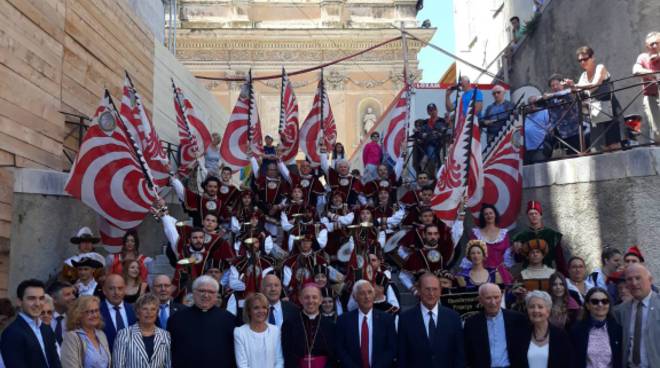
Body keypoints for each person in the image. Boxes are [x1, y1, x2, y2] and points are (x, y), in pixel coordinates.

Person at [398, 273, 465, 368]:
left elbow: (459, 354)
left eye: (435, 289)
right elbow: (402, 355)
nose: (431, 294)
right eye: (427, 289)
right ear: (419, 290)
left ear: (440, 291)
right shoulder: (405, 319)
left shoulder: (453, 317)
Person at [167, 275, 236, 368]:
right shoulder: (176, 319)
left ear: (216, 295)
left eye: (210, 292)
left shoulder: (230, 320)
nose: (205, 295)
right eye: (201, 291)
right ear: (193, 293)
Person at [565, 46, 623, 150]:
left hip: (609, 109)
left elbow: (595, 84)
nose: (582, 62)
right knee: (601, 147)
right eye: (580, 60)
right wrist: (572, 86)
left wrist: (576, 86)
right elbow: (580, 93)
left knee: (614, 145)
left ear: (593, 58)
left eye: (585, 59)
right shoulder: (583, 75)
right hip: (596, 111)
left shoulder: (600, 67)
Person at [464, 283, 529, 368]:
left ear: (501, 297)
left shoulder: (518, 319)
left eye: (496, 297)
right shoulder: (471, 324)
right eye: (488, 298)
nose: (493, 302)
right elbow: (468, 353)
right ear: (480, 300)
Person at [0, 279, 61, 368]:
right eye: (31, 298)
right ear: (19, 302)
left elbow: (56, 363)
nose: (37, 303)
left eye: (41, 298)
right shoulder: (11, 333)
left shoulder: (46, 329)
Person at [335, 280, 397, 368]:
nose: (367, 297)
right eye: (362, 293)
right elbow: (340, 349)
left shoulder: (386, 319)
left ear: (374, 295)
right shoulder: (344, 320)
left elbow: (391, 348)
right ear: (354, 297)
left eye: (370, 292)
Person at [613, 264, 660, 367]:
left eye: (638, 278)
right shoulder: (620, 311)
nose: (634, 283)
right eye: (629, 279)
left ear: (650, 280)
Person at [281, 283, 336, 368]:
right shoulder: (289, 324)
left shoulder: (330, 325)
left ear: (321, 300)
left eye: (314, 297)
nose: (310, 301)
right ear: (300, 299)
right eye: (306, 297)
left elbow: (333, 356)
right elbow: (288, 355)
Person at [112, 293, 171, 368]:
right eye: (145, 309)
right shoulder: (123, 334)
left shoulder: (165, 335)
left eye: (153, 309)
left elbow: (168, 364)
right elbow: (118, 365)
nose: (149, 312)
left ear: (157, 313)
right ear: (137, 313)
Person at [570, 287, 623, 368]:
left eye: (604, 301)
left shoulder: (617, 330)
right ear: (587, 305)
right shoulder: (577, 331)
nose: (600, 304)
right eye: (595, 302)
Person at [512, 200, 567, 275]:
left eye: (536, 213)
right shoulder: (520, 237)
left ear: (540, 215)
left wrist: (564, 278)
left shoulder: (552, 235)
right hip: (528, 275)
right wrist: (517, 252)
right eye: (531, 214)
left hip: (548, 274)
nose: (534, 216)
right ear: (527, 216)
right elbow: (518, 260)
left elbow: (560, 261)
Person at [463, 204, 514, 284]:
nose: (489, 215)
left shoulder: (503, 234)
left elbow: (507, 254)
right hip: (481, 272)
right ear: (483, 217)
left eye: (491, 213)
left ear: (495, 215)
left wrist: (504, 267)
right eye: (486, 214)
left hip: (499, 273)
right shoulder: (476, 234)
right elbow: (471, 253)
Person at [542, 74, 589, 155]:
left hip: (576, 131)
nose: (555, 87)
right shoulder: (551, 100)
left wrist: (551, 95)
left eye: (557, 84)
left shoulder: (568, 94)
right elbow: (532, 101)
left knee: (582, 155)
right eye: (552, 86)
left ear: (562, 85)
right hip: (562, 134)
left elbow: (570, 91)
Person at [233, 293, 284, 368]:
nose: (261, 311)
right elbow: (242, 364)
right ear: (249, 311)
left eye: (264, 307)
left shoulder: (275, 331)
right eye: (256, 308)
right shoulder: (240, 332)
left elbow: (279, 360)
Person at [523, 290, 572, 368]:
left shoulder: (561, 335)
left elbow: (567, 363)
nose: (536, 310)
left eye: (540, 307)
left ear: (548, 311)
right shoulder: (521, 334)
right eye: (532, 307)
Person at [61, 295, 109, 368]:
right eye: (89, 312)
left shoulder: (101, 334)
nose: (94, 315)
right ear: (78, 314)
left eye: (96, 310)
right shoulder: (71, 337)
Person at [632, 31, 660, 142]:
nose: (654, 46)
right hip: (651, 97)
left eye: (656, 43)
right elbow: (635, 70)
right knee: (657, 131)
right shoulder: (643, 57)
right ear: (647, 46)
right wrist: (653, 74)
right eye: (651, 44)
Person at [99, 274, 136, 350]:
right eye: (111, 288)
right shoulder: (97, 311)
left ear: (125, 290)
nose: (116, 292)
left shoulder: (134, 310)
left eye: (120, 288)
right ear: (104, 290)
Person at [47, 281, 76, 346]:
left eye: (73, 293)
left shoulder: (75, 318)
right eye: (68, 294)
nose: (73, 297)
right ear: (54, 299)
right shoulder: (43, 318)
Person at [524, 95, 552, 163]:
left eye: (534, 103)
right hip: (527, 148)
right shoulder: (527, 115)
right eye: (530, 103)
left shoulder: (545, 111)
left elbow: (551, 126)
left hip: (540, 147)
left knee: (539, 167)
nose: (532, 105)